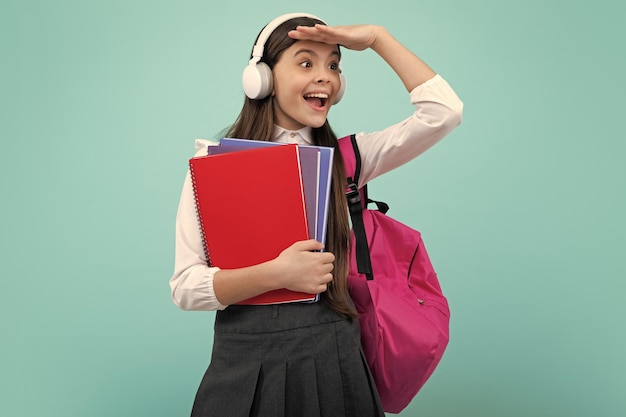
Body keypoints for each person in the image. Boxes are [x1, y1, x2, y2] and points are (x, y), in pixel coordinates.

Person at [170, 12, 463, 417]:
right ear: (263, 78)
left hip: (336, 363)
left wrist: (379, 38)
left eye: (334, 65)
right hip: (244, 365)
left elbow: (444, 112)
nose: (325, 76)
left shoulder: (350, 159)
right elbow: (185, 286)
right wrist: (277, 274)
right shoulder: (212, 167)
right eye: (306, 63)